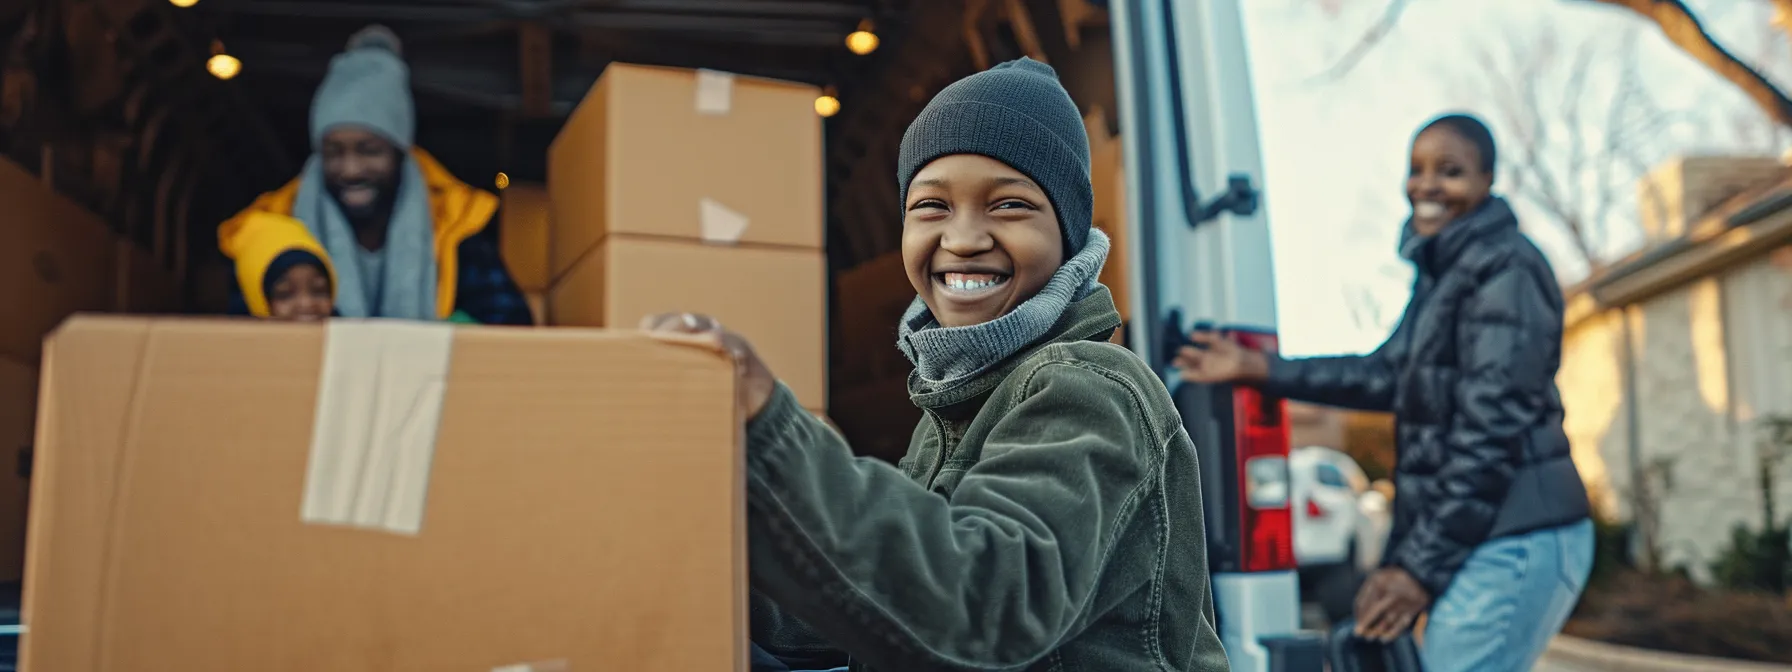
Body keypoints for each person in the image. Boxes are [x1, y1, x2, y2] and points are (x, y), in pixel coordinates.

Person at [644, 59, 1230, 671]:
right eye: (931, 207)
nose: (964, 238)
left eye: (1008, 205)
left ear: (1068, 233)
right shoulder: (957, 400)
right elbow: (879, 590)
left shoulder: (1087, 387)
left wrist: (772, 431)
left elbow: (987, 604)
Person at [1176, 113, 1592, 672]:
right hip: (1482, 535)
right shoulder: (1446, 274)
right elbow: (1387, 376)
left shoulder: (1508, 268)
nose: (1427, 186)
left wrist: (1415, 570)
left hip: (1517, 536)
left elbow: (1488, 435)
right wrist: (1257, 368)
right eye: (1417, 169)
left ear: (1488, 181)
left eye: (1451, 171)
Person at [216, 25, 532, 325]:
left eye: (369, 150)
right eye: (334, 152)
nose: (351, 170)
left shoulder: (457, 221)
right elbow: (239, 341)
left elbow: (510, 328)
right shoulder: (272, 225)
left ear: (399, 152)